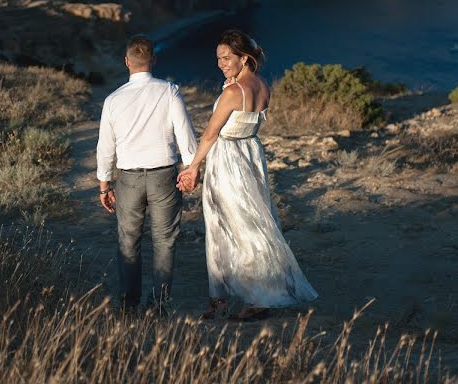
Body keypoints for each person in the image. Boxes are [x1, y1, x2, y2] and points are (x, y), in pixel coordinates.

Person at [177, 29, 317, 320]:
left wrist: (192, 167)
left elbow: (211, 134)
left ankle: (247, 298)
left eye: (227, 58)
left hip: (227, 160)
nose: (220, 63)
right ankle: (241, 295)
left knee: (227, 225)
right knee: (254, 221)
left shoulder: (232, 92)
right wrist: (229, 84)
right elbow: (243, 120)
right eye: (218, 58)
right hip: (250, 154)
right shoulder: (263, 86)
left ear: (245, 58)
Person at [96, 35, 198, 313]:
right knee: (165, 241)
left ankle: (129, 305)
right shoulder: (169, 91)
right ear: (153, 60)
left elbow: (106, 147)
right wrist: (191, 169)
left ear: (127, 62)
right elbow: (185, 135)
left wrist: (104, 185)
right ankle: (159, 306)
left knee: (128, 241)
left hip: (127, 178)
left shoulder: (113, 99)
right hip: (164, 175)